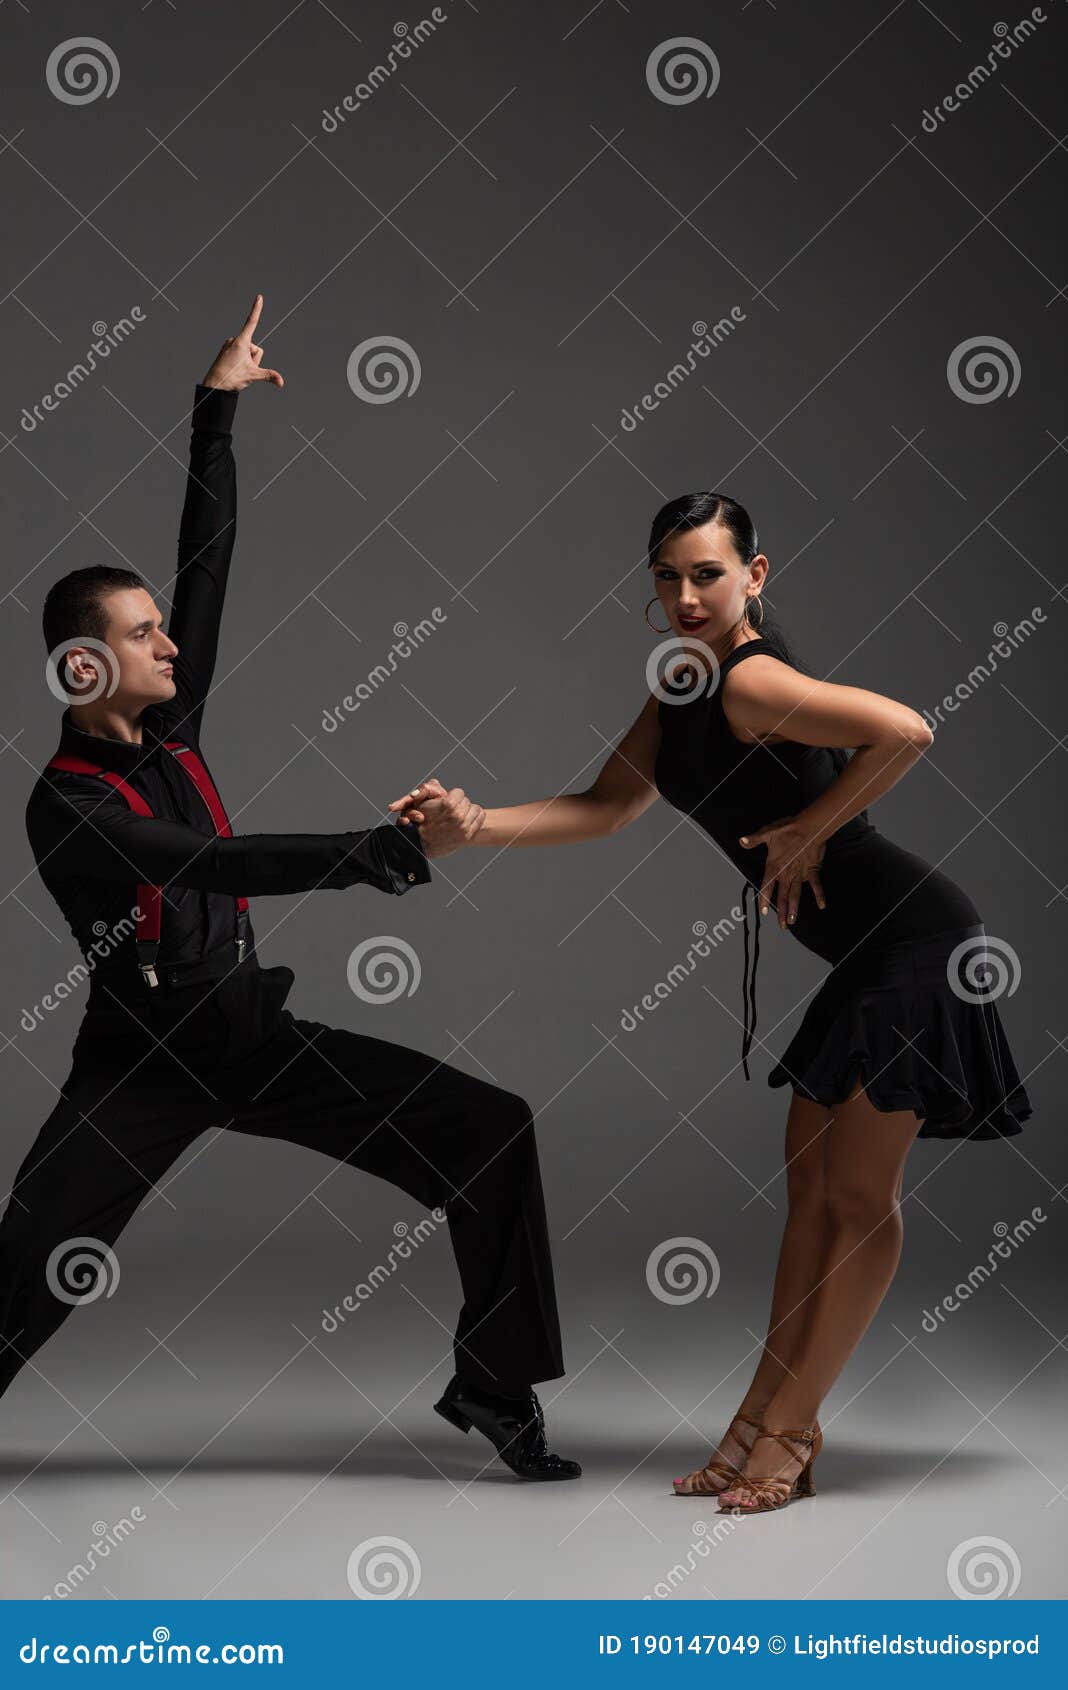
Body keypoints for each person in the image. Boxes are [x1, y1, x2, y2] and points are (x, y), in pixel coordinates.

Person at [3, 295, 579, 1484]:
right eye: (144, 635)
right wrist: (374, 853)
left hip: (251, 1032)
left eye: (163, 632)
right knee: (27, 1258)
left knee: (489, 1129)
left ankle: (492, 1380)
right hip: (142, 1063)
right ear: (82, 662)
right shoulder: (68, 802)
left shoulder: (173, 724)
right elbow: (208, 865)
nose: (169, 646)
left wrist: (213, 413)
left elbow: (206, 567)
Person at [390, 491, 1032, 1515]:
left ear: (755, 576)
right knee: (812, 1204)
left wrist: (806, 828)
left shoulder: (753, 679)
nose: (686, 596)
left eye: (707, 573)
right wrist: (475, 825)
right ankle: (757, 1420)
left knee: (859, 1204)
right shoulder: (679, 682)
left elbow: (906, 730)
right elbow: (604, 806)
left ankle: (787, 1431)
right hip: (863, 963)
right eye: (667, 576)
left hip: (920, 946)